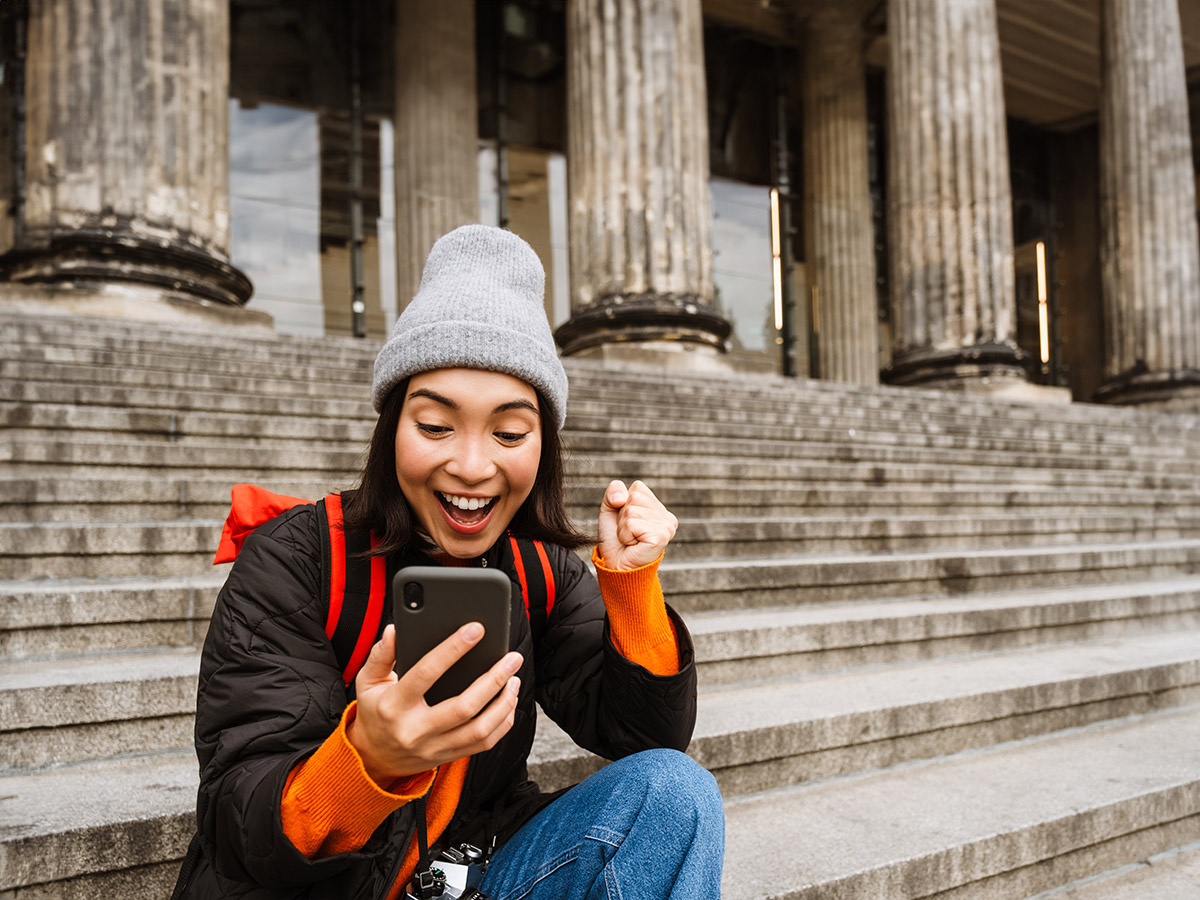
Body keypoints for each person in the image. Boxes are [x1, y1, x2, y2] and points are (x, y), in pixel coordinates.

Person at [178, 225, 725, 900]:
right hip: (327, 888)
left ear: (543, 449)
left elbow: (647, 737)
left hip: (470, 870)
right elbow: (241, 824)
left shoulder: (543, 570)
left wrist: (632, 587)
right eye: (435, 425)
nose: (471, 466)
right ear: (391, 431)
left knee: (676, 792)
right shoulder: (296, 557)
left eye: (509, 432)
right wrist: (368, 760)